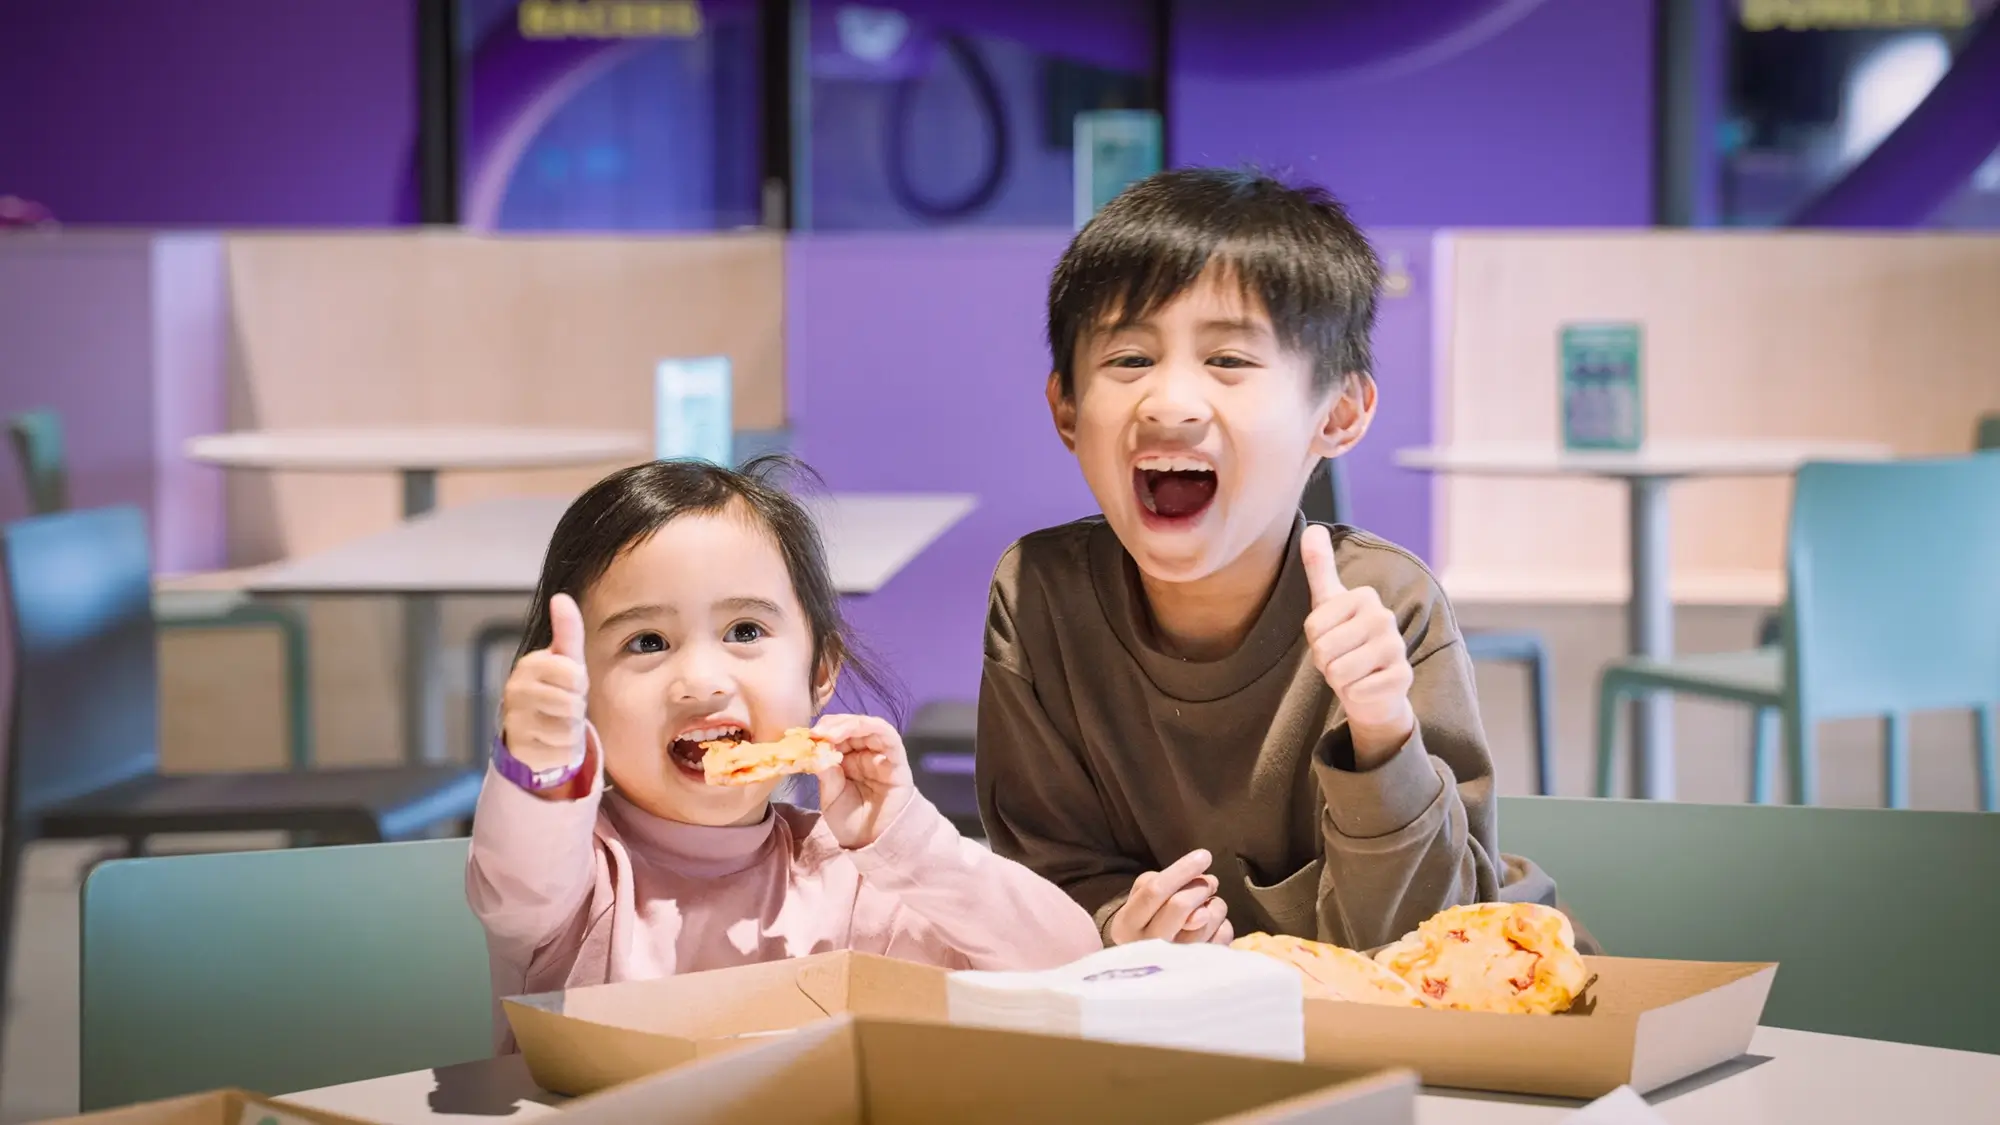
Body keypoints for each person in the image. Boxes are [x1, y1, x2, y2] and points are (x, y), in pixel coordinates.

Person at [976, 168, 1564, 952]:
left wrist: (1383, 732)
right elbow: (1044, 874)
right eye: (1128, 359)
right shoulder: (1040, 596)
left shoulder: (1385, 606)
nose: (1170, 402)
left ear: (1339, 413)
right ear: (1067, 410)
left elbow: (1430, 940)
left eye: (1229, 360)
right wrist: (1119, 922)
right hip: (1180, 1033)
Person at [469, 457, 1100, 1046]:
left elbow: (1068, 965)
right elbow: (519, 877)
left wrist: (911, 844)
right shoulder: (573, 882)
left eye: (745, 631)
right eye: (648, 641)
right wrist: (543, 764)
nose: (703, 680)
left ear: (820, 672)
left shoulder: (851, 877)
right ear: (579, 690)